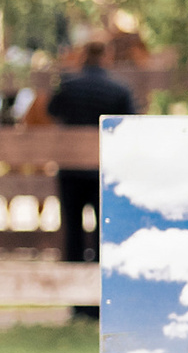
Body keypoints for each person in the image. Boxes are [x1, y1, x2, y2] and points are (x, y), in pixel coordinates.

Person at [44, 40, 135, 266]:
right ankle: (97, 295)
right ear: (107, 56)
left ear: (84, 55)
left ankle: (76, 296)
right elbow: (129, 125)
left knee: (72, 229)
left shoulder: (67, 86)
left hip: (70, 171)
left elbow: (51, 111)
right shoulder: (119, 90)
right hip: (102, 171)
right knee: (102, 230)